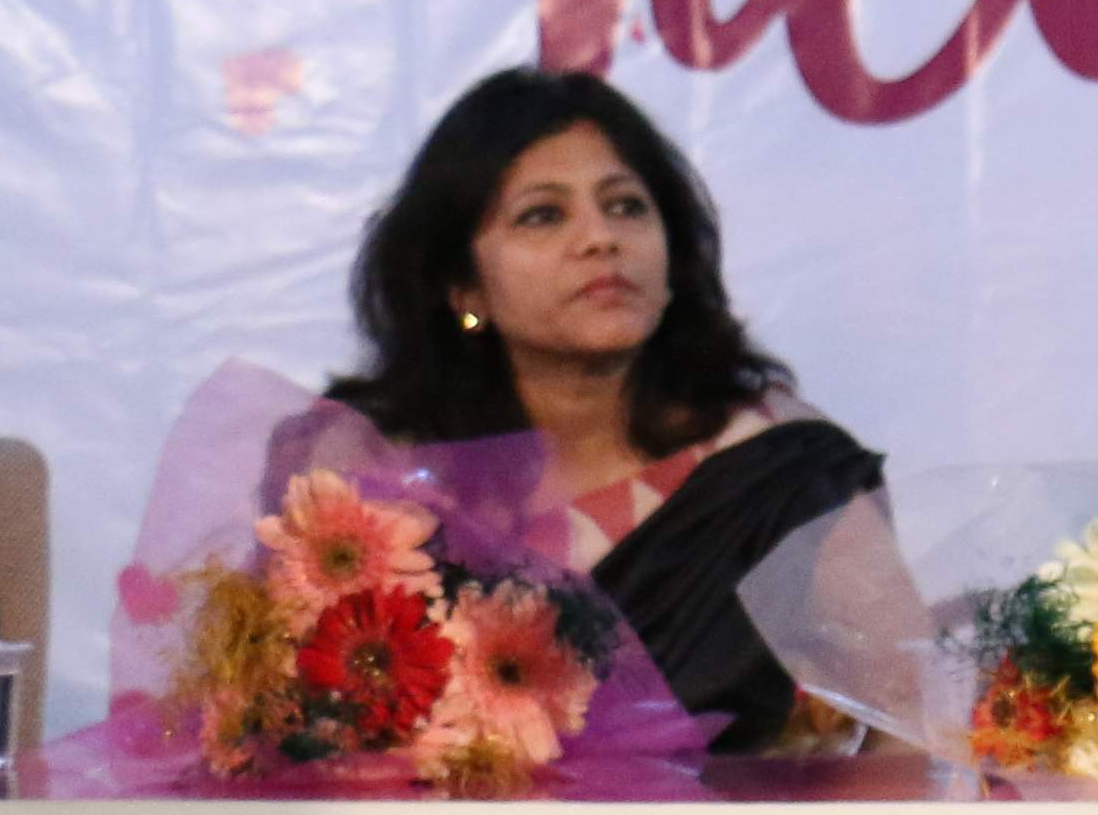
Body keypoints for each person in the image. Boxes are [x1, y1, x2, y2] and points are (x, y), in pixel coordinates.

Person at [325, 70, 883, 752]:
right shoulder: (368, 477)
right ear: (465, 285)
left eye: (626, 206)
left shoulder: (783, 476)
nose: (601, 238)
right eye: (543, 215)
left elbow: (908, 740)